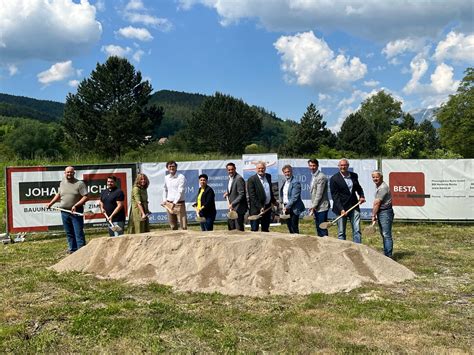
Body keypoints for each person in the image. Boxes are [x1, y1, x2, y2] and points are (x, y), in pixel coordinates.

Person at [47, 166, 88, 253]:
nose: (69, 174)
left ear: (74, 173)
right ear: (65, 173)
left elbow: (86, 197)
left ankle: (82, 251)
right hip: (64, 212)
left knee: (78, 232)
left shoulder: (79, 183)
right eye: (67, 172)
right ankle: (72, 249)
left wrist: (76, 205)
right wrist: (51, 203)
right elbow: (58, 194)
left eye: (71, 172)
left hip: (76, 212)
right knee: (69, 232)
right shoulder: (62, 183)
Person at [329, 158, 366, 243]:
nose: (343, 167)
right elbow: (335, 196)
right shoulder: (334, 179)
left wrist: (361, 196)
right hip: (341, 208)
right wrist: (341, 209)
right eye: (341, 165)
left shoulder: (354, 176)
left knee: (357, 230)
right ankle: (343, 249)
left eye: (345, 165)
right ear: (338, 166)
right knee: (341, 232)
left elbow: (358, 188)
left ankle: (358, 248)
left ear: (348, 166)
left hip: (354, 206)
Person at [247, 161, 277, 232]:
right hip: (256, 209)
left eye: (262, 168)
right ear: (256, 169)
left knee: (265, 229)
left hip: (267, 207)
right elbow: (252, 196)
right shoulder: (251, 180)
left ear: (265, 169)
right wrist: (260, 207)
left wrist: (273, 201)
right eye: (259, 168)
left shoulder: (268, 176)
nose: (261, 170)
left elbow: (270, 191)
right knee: (254, 229)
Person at [371, 170, 394, 257]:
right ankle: (386, 254)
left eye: (377, 177)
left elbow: (377, 203)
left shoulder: (383, 188)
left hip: (385, 213)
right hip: (381, 212)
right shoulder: (378, 186)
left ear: (381, 177)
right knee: (383, 234)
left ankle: (388, 256)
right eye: (373, 177)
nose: (375, 179)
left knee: (386, 234)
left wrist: (373, 215)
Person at [161, 161, 187, 230]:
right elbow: (165, 189)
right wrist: (164, 200)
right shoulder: (166, 177)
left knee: (183, 226)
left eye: (173, 166)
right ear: (167, 168)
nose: (172, 168)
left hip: (179, 204)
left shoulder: (181, 177)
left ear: (176, 167)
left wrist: (174, 203)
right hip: (169, 204)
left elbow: (180, 191)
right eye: (170, 166)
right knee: (172, 226)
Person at [279, 164, 305, 234]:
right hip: (286, 207)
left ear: (291, 172)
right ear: (283, 173)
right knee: (289, 227)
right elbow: (283, 194)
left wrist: (287, 206)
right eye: (285, 172)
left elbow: (294, 197)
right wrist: (282, 204)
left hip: (294, 208)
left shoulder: (295, 182)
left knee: (294, 227)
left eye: (288, 171)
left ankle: (297, 243)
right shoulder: (285, 182)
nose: (287, 173)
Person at [308, 159, 330, 237]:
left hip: (322, 207)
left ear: (317, 166)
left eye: (314, 165)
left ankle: (326, 245)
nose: (312, 167)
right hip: (317, 207)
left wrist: (313, 206)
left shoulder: (321, 177)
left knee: (322, 228)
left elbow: (319, 194)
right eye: (310, 166)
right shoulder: (313, 176)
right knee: (318, 228)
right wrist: (314, 206)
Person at [223, 162, 247, 231]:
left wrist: (233, 204)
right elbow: (233, 190)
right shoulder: (230, 178)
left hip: (238, 209)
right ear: (227, 170)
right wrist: (227, 193)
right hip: (232, 208)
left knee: (238, 229)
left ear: (235, 169)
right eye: (229, 170)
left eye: (232, 169)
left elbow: (241, 194)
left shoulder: (239, 179)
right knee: (231, 227)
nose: (230, 171)